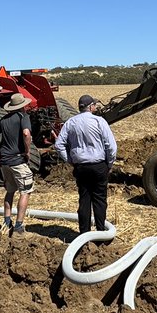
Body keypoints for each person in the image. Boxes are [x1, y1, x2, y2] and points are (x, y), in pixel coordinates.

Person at [54, 94, 118, 235]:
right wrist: (109, 163)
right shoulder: (99, 121)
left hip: (81, 167)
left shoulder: (70, 122)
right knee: (100, 200)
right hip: (99, 165)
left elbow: (59, 145)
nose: (95, 106)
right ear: (90, 107)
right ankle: (101, 232)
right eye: (94, 104)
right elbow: (111, 147)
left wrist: (70, 160)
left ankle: (84, 234)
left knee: (84, 199)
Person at [0, 93, 34, 236]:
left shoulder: (3, 119)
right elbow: (26, 133)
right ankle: (19, 227)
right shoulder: (23, 117)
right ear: (23, 106)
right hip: (17, 160)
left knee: (10, 191)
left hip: (5, 162)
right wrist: (28, 151)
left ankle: (7, 223)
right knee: (25, 191)